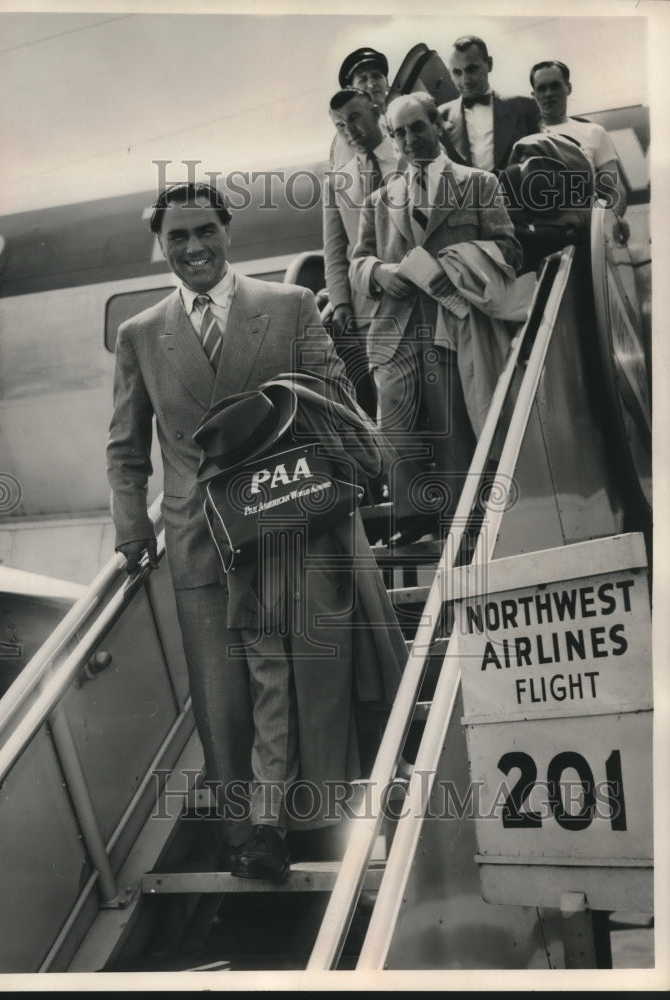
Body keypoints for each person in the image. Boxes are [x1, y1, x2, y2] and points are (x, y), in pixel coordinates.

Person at [107, 182, 405, 880]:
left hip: (285, 520)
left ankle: (317, 822)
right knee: (223, 692)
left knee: (308, 678)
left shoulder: (288, 306)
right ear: (162, 245)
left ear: (226, 231)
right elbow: (125, 446)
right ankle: (244, 832)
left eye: (203, 231)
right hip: (198, 535)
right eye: (176, 237)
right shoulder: (141, 335)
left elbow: (336, 399)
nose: (192, 248)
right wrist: (131, 529)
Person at [349, 93, 524, 544]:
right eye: (399, 132)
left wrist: (459, 261)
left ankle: (461, 524)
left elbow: (510, 248)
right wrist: (380, 272)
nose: (409, 139)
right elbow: (357, 263)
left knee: (453, 424)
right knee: (396, 424)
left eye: (418, 127)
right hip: (396, 328)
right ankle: (412, 520)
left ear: (437, 126)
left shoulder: (479, 184)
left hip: (453, 319)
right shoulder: (377, 200)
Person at [322, 88, 401, 416]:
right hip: (366, 311)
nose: (349, 129)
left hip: (416, 300)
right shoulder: (336, 183)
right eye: (340, 125)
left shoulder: (407, 160)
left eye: (354, 117)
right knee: (383, 411)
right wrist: (341, 303)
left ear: (375, 110)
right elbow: (335, 250)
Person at [528, 59, 627, 216]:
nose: (548, 94)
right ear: (534, 95)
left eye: (555, 86)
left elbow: (614, 188)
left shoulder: (594, 132)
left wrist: (613, 222)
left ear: (568, 88)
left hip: (585, 229)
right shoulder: (525, 137)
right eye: (542, 88)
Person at [439, 35, 540, 174]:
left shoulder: (524, 107)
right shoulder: (439, 116)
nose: (465, 80)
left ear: (490, 64)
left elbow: (537, 163)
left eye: (471, 69)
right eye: (457, 72)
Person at [331, 46, 391, 168]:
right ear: (350, 91)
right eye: (363, 79)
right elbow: (347, 183)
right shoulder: (349, 135)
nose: (371, 84)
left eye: (376, 76)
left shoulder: (396, 119)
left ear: (387, 83)